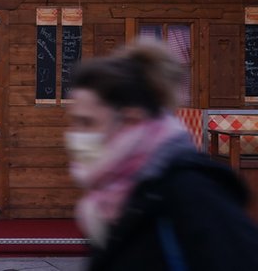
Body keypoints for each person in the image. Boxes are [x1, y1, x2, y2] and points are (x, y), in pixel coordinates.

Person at [65, 41, 258, 271]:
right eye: (74, 121)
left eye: (87, 122)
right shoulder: (111, 200)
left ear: (131, 119)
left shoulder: (193, 193)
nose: (75, 135)